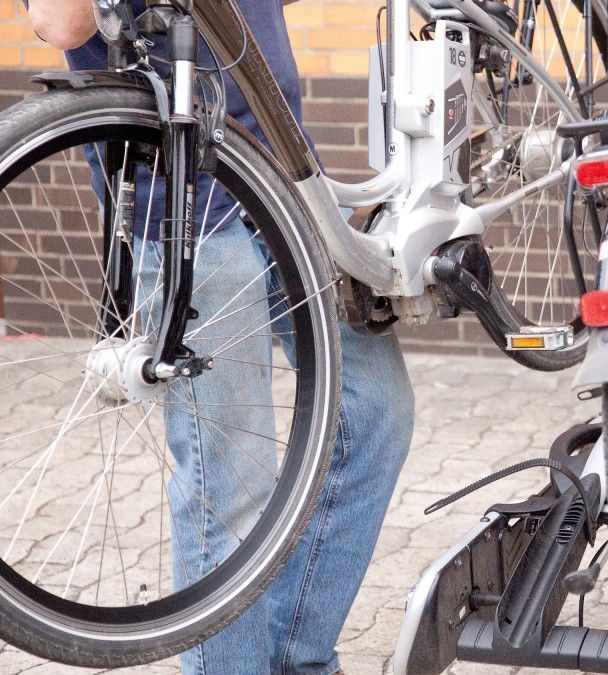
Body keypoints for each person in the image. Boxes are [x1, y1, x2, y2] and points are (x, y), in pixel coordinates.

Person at [25, 2, 416, 674]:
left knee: (375, 411)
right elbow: (60, 23)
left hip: (291, 183)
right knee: (233, 483)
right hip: (187, 208)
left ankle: (298, 658)